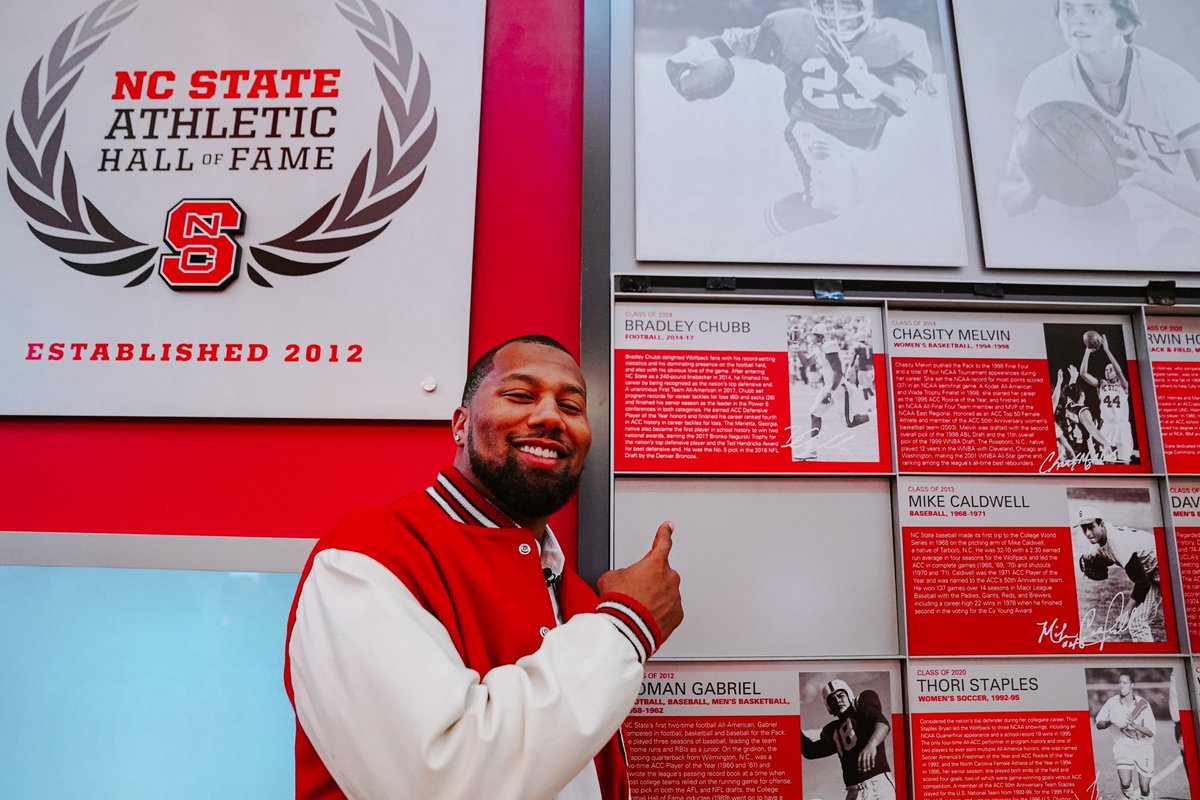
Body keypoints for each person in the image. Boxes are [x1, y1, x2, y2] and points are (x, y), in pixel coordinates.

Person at [284, 334, 684, 800]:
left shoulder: (579, 599)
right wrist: (627, 625)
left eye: (571, 407)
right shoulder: (368, 552)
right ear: (460, 423)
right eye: (520, 395)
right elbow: (438, 780)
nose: (550, 417)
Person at [665, 0, 934, 232]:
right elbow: (729, 43)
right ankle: (744, 236)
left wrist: (851, 71)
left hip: (864, 134)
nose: (838, 15)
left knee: (860, 199)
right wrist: (687, 57)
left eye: (847, 6)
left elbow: (900, 103)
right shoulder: (790, 28)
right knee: (830, 202)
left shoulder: (899, 39)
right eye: (829, 5)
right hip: (812, 126)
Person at [1000, 0, 1200, 261]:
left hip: (1176, 225)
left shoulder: (1171, 83)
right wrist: (1037, 184)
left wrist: (1153, 178)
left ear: (1123, 21)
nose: (1077, 19)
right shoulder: (1043, 85)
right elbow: (1009, 200)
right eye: (1068, 9)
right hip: (1101, 233)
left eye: (1091, 9)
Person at [1074, 505, 1162, 642]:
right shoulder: (1103, 541)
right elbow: (1104, 555)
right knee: (1138, 622)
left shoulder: (1118, 543)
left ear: (1101, 524)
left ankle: (1152, 662)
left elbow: (1142, 584)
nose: (1088, 533)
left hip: (1166, 565)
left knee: (1138, 623)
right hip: (1151, 570)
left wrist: (1125, 612)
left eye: (1091, 526)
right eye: (1083, 528)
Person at [802, 679, 895, 799]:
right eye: (832, 699)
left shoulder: (861, 704)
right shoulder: (833, 731)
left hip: (879, 788)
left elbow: (882, 723)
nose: (837, 700)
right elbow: (810, 751)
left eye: (841, 695)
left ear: (849, 695)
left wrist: (871, 744)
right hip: (853, 792)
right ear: (829, 707)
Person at [1095, 673, 1156, 799]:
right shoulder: (1112, 703)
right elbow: (1099, 724)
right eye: (1120, 682)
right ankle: (1131, 797)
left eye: (1125, 682)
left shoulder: (1142, 704)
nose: (1121, 685)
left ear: (1132, 685)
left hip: (1144, 747)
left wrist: (1134, 725)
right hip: (1123, 746)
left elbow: (1151, 732)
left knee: (1144, 788)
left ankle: (1146, 796)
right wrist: (1110, 721)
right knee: (1125, 783)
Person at [1078, 333, 1135, 463]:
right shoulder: (1101, 384)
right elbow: (1083, 374)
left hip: (1123, 426)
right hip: (1107, 426)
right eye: (1105, 369)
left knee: (1125, 463)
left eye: (1110, 369)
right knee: (1109, 462)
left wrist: (1107, 351)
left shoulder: (1124, 385)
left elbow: (1119, 370)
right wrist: (1087, 352)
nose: (1107, 371)